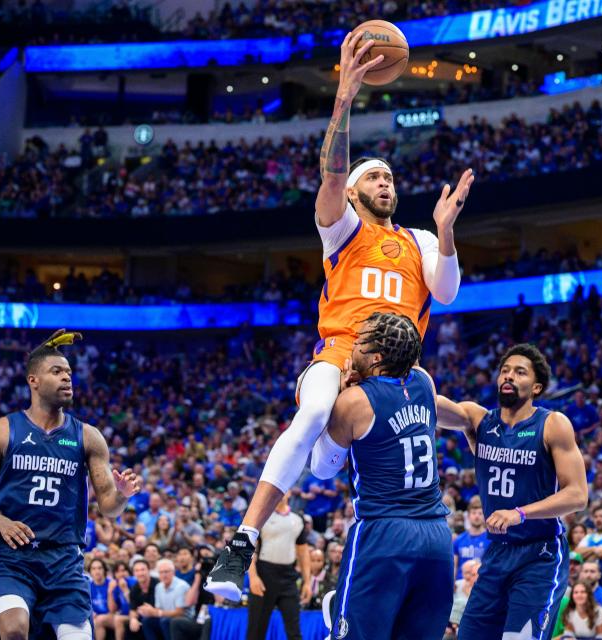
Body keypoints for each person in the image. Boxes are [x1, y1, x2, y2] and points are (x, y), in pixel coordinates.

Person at [204, 28, 474, 601]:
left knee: (370, 443)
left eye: (389, 177)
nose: (385, 182)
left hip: (395, 371)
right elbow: (330, 174)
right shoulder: (343, 231)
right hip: (342, 352)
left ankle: (365, 547)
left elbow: (446, 292)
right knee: (317, 408)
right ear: (353, 194)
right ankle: (240, 546)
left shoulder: (421, 239)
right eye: (373, 176)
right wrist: (344, 98)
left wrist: (447, 235)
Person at [0, 330, 142, 640]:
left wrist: (123, 496)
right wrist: (1, 521)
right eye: (57, 371)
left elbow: (109, 507)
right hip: (12, 557)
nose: (67, 378)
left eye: (69, 373)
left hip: (64, 561)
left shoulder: (88, 436)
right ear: (33, 380)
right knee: (14, 630)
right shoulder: (2, 430)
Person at [310, 312, 455, 639]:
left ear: (376, 357)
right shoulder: (424, 382)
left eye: (359, 341)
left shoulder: (355, 402)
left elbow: (323, 468)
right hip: (436, 538)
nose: (352, 346)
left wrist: (337, 402)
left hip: (383, 534)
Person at [435, 343, 589, 640]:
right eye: (505, 371)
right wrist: (404, 374)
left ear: (536, 387)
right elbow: (432, 405)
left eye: (520, 372)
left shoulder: (552, 424)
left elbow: (578, 495)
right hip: (497, 553)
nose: (509, 376)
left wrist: (520, 514)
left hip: (540, 553)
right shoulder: (478, 420)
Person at [246, 490, 311, 640]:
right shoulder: (262, 515)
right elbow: (249, 549)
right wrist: (253, 577)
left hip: (288, 578)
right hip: (263, 575)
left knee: (294, 632)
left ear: (289, 493)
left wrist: (307, 582)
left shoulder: (298, 518)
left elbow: (303, 552)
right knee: (256, 631)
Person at [453, 496, 490, 580]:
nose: (477, 516)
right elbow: (454, 566)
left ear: (484, 517)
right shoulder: (458, 540)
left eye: (480, 513)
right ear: (468, 516)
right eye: (474, 513)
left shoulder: (490, 540)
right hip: (461, 583)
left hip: (481, 582)